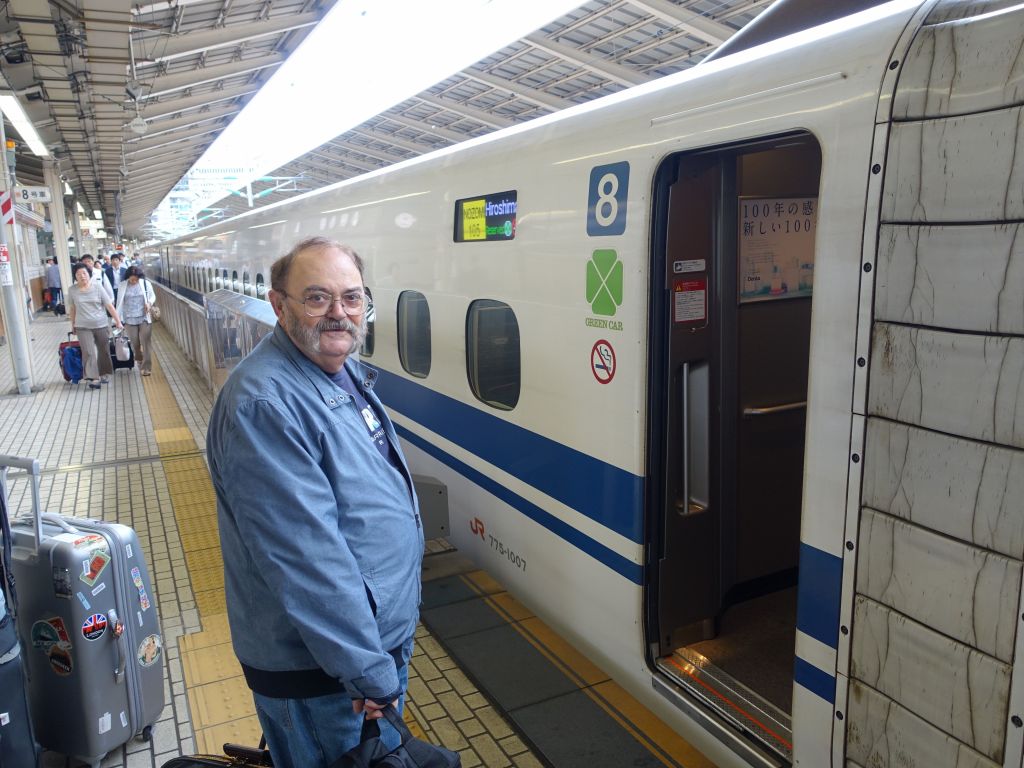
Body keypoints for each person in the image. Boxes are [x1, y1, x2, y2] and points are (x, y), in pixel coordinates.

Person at [206, 236, 423, 768]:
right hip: (327, 674)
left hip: (361, 654)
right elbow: (306, 560)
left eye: (351, 298)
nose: (339, 314)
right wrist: (367, 671)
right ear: (279, 305)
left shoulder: (338, 370)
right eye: (317, 298)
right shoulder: (265, 403)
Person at [67, 262, 122, 389]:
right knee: (88, 352)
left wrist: (118, 321)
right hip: (82, 326)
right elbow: (72, 308)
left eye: (84, 273)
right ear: (75, 276)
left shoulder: (98, 287)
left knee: (104, 350)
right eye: (78, 274)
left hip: (101, 324)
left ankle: (104, 373)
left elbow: (109, 305)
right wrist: (73, 324)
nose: (82, 276)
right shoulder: (72, 290)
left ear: (89, 274)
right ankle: (94, 378)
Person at [115, 266, 157, 376]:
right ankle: (139, 357)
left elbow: (152, 296)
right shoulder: (122, 285)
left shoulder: (145, 284)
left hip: (144, 317)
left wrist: (149, 303)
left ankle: (147, 367)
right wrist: (118, 320)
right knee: (135, 343)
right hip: (129, 319)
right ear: (128, 277)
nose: (134, 281)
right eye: (132, 279)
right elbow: (119, 303)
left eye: (136, 279)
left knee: (146, 342)